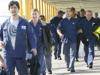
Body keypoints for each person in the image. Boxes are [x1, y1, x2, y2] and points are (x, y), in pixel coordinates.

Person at [0, 1, 37, 75]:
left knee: (23, 73)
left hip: (21, 54)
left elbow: (31, 35)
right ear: (9, 10)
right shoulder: (4, 24)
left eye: (15, 7)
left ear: (18, 9)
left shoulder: (24, 22)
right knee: (9, 73)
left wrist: (33, 47)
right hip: (8, 55)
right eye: (11, 8)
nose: (13, 9)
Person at [57, 7, 80, 72]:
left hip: (73, 40)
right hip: (65, 40)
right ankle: (68, 66)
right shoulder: (62, 21)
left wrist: (77, 32)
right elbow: (58, 29)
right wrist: (60, 34)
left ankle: (71, 67)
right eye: (66, 11)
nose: (68, 12)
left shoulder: (75, 21)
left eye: (69, 11)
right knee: (66, 54)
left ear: (72, 13)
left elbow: (79, 29)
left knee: (73, 54)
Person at [29, 9, 46, 75]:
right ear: (31, 15)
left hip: (40, 46)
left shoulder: (43, 23)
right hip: (31, 46)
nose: (34, 15)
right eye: (33, 14)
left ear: (38, 15)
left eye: (35, 14)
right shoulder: (28, 24)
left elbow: (48, 34)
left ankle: (41, 72)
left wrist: (48, 44)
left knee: (40, 60)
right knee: (32, 61)